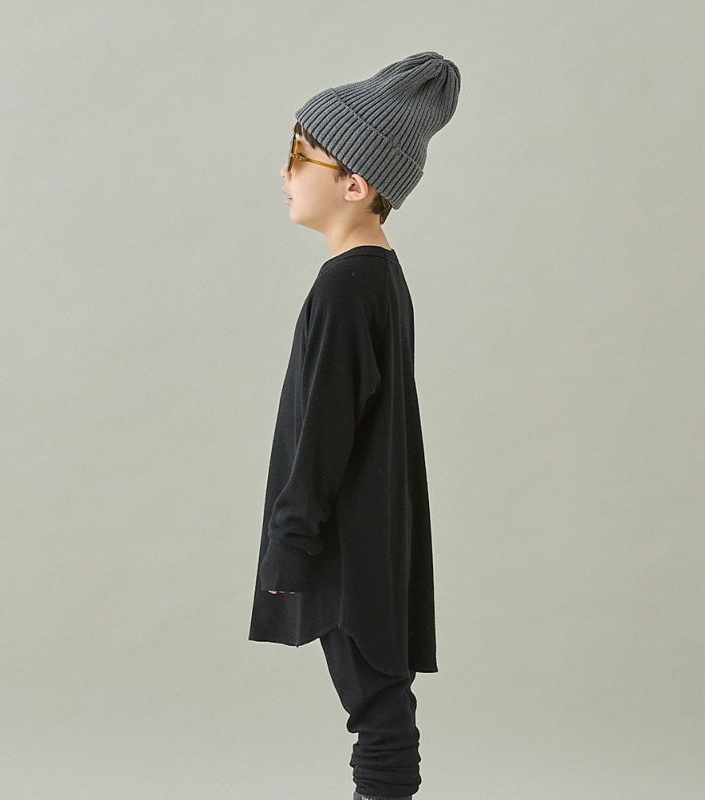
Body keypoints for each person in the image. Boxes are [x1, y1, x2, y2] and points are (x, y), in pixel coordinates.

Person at [248, 51, 461, 800]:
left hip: (349, 540)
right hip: (373, 531)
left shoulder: (347, 288)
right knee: (381, 705)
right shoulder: (379, 277)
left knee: (378, 711)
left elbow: (324, 431)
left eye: (299, 157)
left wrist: (290, 542)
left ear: (355, 184)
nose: (285, 173)